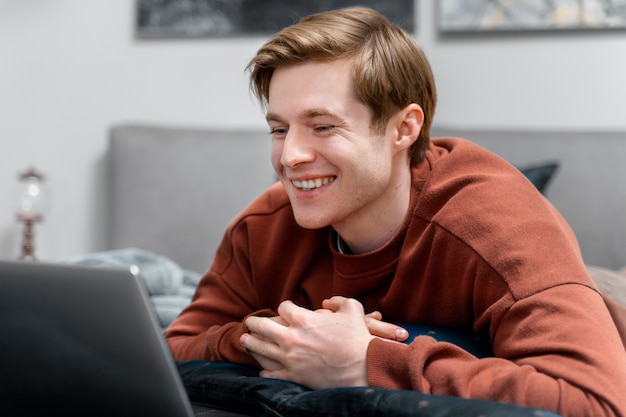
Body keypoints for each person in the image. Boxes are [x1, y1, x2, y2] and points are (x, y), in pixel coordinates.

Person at [165, 7, 626, 417]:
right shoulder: (263, 227)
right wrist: (281, 336)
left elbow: (595, 401)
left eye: (322, 127)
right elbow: (173, 349)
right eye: (279, 129)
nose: (290, 157)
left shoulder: (495, 227)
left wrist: (365, 361)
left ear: (404, 128)